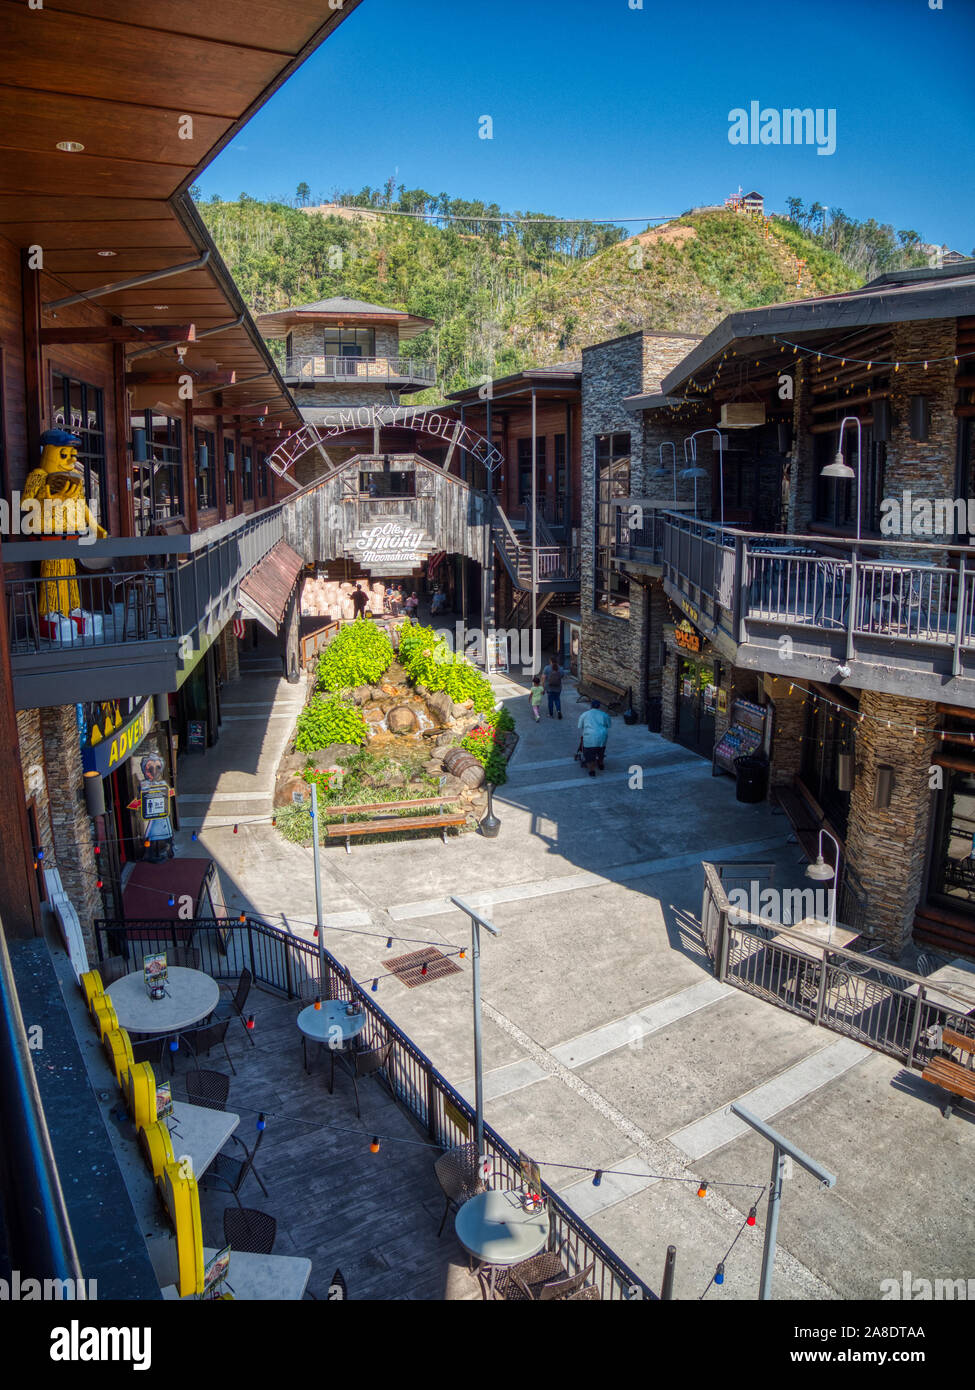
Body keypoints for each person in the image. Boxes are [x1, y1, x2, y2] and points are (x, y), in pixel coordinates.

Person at [577, 700, 611, 777]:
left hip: (590, 737)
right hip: (602, 736)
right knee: (601, 751)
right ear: (599, 706)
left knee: (589, 755)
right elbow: (608, 725)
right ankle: (601, 764)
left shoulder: (584, 714)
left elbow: (580, 726)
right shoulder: (604, 714)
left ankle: (592, 770)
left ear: (591, 706)